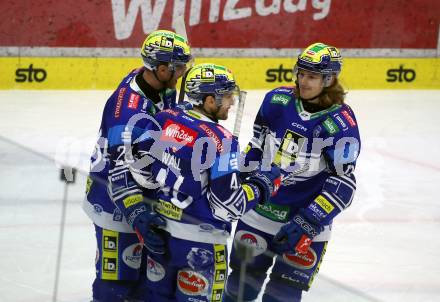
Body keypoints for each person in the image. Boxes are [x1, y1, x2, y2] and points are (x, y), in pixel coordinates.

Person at [127, 63, 281, 302]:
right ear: (210, 100)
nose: (231, 102)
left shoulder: (165, 118)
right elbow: (228, 206)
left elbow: (139, 166)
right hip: (202, 247)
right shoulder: (222, 141)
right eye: (228, 96)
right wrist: (263, 184)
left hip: (161, 237)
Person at [224, 43, 361, 302]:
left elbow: (344, 184)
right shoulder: (277, 101)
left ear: (329, 79)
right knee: (239, 290)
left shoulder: (342, 124)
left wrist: (309, 220)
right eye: (301, 73)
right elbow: (256, 149)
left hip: (307, 223)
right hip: (259, 213)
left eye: (312, 76)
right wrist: (238, 185)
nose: (303, 81)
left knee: (282, 296)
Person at [82, 29, 192, 302]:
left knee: (143, 283)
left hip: (142, 189)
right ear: (162, 68)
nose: (182, 73)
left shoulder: (152, 80)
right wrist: (137, 216)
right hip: (112, 201)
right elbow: (119, 175)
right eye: (178, 68)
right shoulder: (128, 113)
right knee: (116, 283)